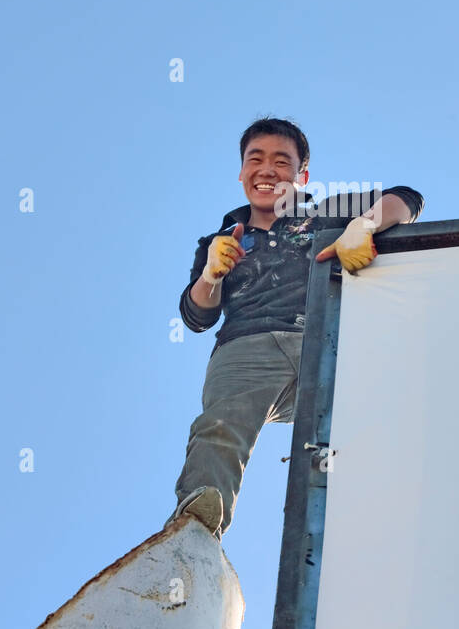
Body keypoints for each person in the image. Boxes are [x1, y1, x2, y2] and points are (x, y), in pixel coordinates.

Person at [167, 116, 424, 539]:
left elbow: (407, 199)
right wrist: (211, 275)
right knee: (221, 425)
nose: (267, 169)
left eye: (281, 161)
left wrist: (364, 224)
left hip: (324, 338)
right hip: (245, 350)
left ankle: (379, 534)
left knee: (376, 421)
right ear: (242, 173)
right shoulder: (219, 238)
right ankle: (193, 533)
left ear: (302, 176)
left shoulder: (325, 213)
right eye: (256, 159)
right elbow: (197, 316)